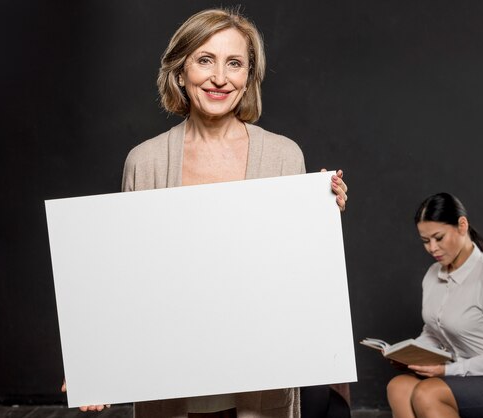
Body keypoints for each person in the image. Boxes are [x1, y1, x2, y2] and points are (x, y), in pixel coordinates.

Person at [63, 7, 349, 418]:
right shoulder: (145, 162)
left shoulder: (285, 155)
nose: (220, 77)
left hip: (260, 377)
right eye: (205, 60)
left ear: (248, 77)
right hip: (172, 376)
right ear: (180, 73)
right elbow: (127, 279)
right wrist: (93, 364)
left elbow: (294, 274)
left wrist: (321, 217)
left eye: (234, 63)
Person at [386, 193, 483, 418]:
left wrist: (448, 370)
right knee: (398, 387)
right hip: (466, 374)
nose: (432, 248)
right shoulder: (432, 275)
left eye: (439, 238)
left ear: (462, 225)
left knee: (428, 393)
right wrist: (409, 354)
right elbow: (433, 332)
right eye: (425, 241)